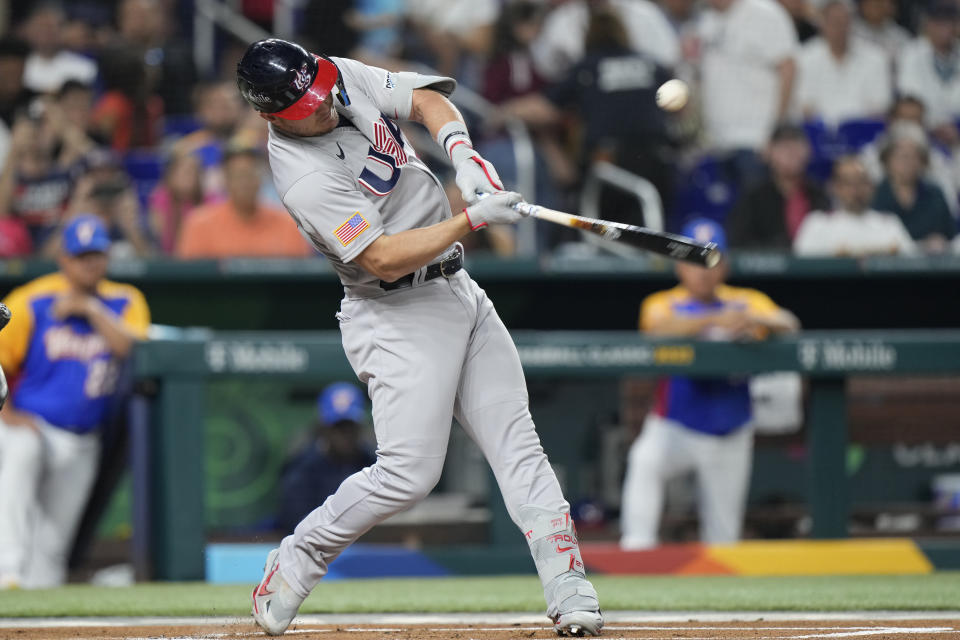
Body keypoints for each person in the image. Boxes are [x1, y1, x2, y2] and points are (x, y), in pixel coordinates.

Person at [235, 38, 602, 636]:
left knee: (518, 446)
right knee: (409, 474)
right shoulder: (301, 176)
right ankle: (300, 556)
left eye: (322, 90)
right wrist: (470, 218)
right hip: (395, 311)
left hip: (457, 288)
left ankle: (569, 588)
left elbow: (425, 96)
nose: (324, 104)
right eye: (306, 104)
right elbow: (380, 257)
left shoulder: (335, 75)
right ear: (271, 113)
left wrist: (463, 154)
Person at [620, 218, 800, 549]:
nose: (702, 269)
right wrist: (716, 319)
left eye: (710, 259)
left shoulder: (746, 300)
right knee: (644, 461)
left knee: (723, 539)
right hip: (675, 425)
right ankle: (637, 549)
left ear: (724, 266)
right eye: (692, 259)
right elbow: (656, 329)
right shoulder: (663, 303)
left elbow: (790, 323)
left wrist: (755, 321)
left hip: (730, 428)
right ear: (679, 266)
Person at [0, 215, 150, 589]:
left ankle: (35, 603)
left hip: (82, 438)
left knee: (53, 546)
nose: (90, 263)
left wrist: (90, 309)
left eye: (96, 254)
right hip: (29, 426)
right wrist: (6, 411)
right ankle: (7, 569)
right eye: (81, 255)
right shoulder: (32, 299)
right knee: (22, 456)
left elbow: (132, 349)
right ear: (64, 259)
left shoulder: (124, 299)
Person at [694, 0, 799, 188]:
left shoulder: (765, 14)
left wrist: (776, 131)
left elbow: (788, 68)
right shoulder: (705, 20)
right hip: (717, 142)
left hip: (756, 141)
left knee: (756, 211)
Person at [175, 145, 313, 259]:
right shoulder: (199, 224)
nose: (244, 183)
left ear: (260, 179)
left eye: (250, 174)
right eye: (237, 176)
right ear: (225, 180)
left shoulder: (289, 225)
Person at [276, 382, 377, 533]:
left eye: (350, 427)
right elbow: (294, 522)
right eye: (338, 427)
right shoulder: (304, 467)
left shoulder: (371, 463)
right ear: (323, 428)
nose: (345, 435)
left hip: (367, 547)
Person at [725, 123, 829, 250]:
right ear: (768, 153)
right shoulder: (753, 197)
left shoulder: (819, 195)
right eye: (784, 147)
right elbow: (739, 243)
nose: (791, 153)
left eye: (797, 145)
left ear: (808, 152)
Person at [794, 0, 891, 128]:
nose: (840, 27)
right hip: (818, 135)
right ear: (822, 23)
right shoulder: (804, 57)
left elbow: (879, 107)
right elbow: (804, 106)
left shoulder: (876, 58)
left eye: (845, 21)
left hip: (863, 135)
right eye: (834, 21)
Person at [794, 155, 915, 255]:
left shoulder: (889, 223)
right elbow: (801, 266)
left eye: (862, 182)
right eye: (848, 183)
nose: (856, 189)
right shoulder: (818, 223)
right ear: (835, 188)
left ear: (871, 187)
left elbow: (912, 263)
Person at [871, 121, 956, 252]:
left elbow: (950, 234)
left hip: (931, 266)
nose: (908, 162)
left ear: (923, 162)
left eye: (915, 156)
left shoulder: (935, 194)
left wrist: (942, 241)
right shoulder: (874, 194)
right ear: (886, 160)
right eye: (902, 156)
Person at [896, 1, 960, 143]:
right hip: (922, 132)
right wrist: (935, 125)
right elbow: (910, 96)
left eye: (948, 22)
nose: (943, 28)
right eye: (938, 23)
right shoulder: (911, 52)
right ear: (927, 24)